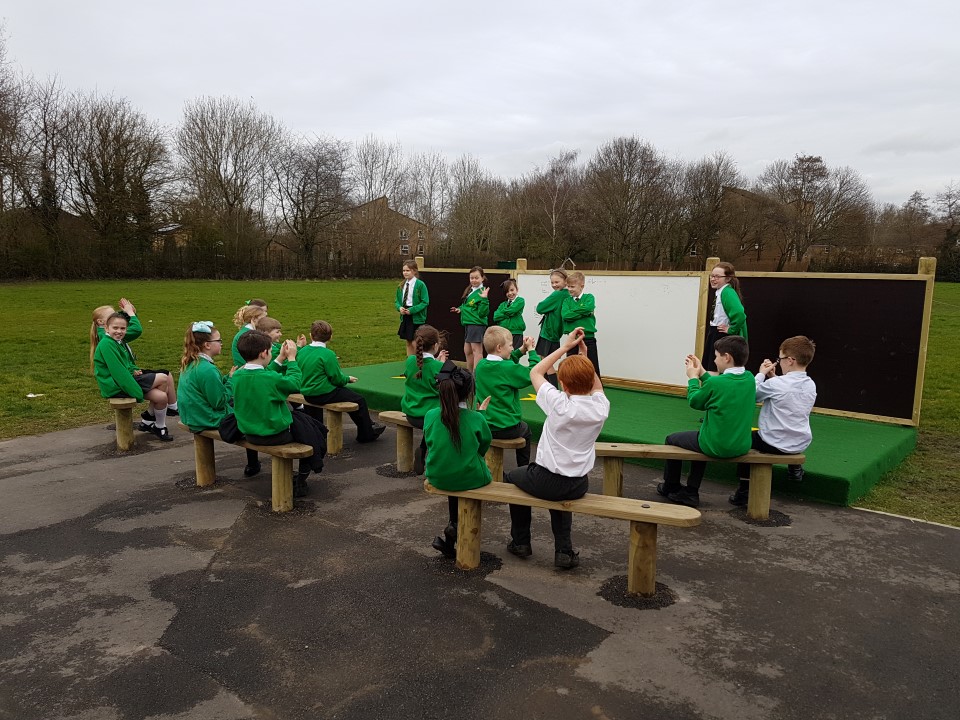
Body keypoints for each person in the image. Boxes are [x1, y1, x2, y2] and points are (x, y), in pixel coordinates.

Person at [505, 328, 609, 570]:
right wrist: (585, 360)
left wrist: (564, 347)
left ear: (562, 383)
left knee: (513, 478)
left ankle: (521, 541)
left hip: (546, 478)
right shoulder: (600, 407)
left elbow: (535, 371)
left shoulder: (559, 404)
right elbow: (597, 388)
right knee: (559, 489)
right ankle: (564, 549)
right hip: (578, 483)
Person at [658, 335, 756, 508]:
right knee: (700, 438)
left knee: (671, 439)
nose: (715, 360)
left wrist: (693, 378)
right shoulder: (749, 378)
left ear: (727, 358)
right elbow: (720, 385)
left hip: (716, 444)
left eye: (717, 356)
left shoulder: (718, 383)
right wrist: (701, 371)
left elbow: (695, 401)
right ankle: (690, 491)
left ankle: (670, 486)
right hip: (741, 444)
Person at [232, 331, 327, 497]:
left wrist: (280, 358)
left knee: (305, 422)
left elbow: (262, 374)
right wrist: (291, 359)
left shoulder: (238, 374)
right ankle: (302, 479)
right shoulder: (270, 378)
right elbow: (295, 383)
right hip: (273, 433)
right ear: (264, 353)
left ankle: (302, 475)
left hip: (249, 432)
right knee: (311, 432)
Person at [730, 336, 817, 506]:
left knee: (741, 439)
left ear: (790, 360)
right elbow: (787, 394)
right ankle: (795, 468)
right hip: (800, 442)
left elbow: (749, 396)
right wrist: (775, 378)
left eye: (781, 359)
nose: (780, 362)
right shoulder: (810, 384)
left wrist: (761, 374)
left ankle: (744, 491)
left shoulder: (776, 384)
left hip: (773, 442)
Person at [424, 361, 492, 559]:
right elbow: (484, 445)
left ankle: (452, 527)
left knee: (453, 472)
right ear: (470, 391)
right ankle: (455, 528)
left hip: (437, 475)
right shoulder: (476, 418)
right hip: (471, 477)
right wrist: (481, 414)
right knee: (464, 472)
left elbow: (432, 441)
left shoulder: (430, 415)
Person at [177, 321, 261, 477]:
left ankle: (253, 462)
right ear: (207, 345)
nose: (222, 344)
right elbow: (219, 401)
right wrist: (233, 379)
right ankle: (254, 461)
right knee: (249, 410)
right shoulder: (207, 369)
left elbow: (208, 390)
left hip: (193, 415)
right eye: (219, 341)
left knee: (242, 405)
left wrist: (227, 378)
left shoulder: (193, 362)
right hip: (205, 418)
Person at [90, 297, 179, 424]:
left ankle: (157, 416)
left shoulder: (112, 333)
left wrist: (131, 312)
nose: (117, 316)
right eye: (112, 315)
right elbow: (136, 330)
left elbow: (123, 363)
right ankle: (162, 413)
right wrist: (130, 314)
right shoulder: (108, 339)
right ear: (103, 324)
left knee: (165, 378)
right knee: (164, 379)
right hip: (117, 384)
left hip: (124, 377)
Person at [296, 320, 385, 443]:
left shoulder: (303, 351)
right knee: (359, 400)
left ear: (310, 336)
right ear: (330, 337)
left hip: (307, 392)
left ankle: (316, 434)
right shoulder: (328, 354)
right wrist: (348, 379)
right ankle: (366, 434)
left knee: (350, 397)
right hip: (323, 393)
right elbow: (336, 379)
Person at [475, 326, 539, 470]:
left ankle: (489, 468)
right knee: (526, 429)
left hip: (485, 424)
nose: (512, 348)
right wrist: (531, 352)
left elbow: (507, 361)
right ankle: (523, 469)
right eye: (510, 345)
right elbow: (533, 373)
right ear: (499, 347)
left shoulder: (481, 365)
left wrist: (521, 350)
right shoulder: (507, 368)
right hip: (507, 426)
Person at [401, 324, 449, 474]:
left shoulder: (410, 361)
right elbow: (446, 389)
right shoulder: (439, 367)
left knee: (432, 420)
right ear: (435, 345)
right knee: (444, 420)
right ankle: (433, 457)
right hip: (430, 416)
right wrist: (442, 365)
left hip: (411, 413)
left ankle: (422, 450)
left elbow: (421, 371)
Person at [703, 262, 747, 372]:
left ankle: (714, 388)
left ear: (727, 279)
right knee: (709, 365)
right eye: (712, 276)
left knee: (715, 368)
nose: (713, 279)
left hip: (721, 334)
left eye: (717, 276)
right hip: (715, 332)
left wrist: (731, 329)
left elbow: (740, 314)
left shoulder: (727, 292)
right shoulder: (720, 291)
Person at [450, 265, 489, 373]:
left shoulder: (482, 292)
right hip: (468, 324)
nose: (474, 280)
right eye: (472, 278)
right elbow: (468, 307)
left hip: (476, 325)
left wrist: (485, 299)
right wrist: (459, 309)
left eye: (476, 278)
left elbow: (483, 313)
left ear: (482, 278)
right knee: (467, 350)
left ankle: (477, 376)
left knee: (477, 351)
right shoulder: (470, 291)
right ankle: (469, 374)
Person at [561, 271, 600, 376]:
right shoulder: (566, 301)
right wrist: (585, 314)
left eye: (572, 286)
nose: (569, 289)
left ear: (581, 286)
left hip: (588, 337)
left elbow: (588, 308)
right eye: (568, 286)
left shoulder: (589, 297)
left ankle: (597, 391)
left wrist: (574, 312)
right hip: (572, 338)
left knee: (592, 366)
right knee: (570, 367)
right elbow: (565, 316)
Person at [535, 269, 568, 387]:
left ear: (565, 281)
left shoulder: (557, 295)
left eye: (557, 282)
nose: (554, 285)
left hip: (548, 331)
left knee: (546, 361)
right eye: (552, 283)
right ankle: (549, 386)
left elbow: (540, 308)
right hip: (556, 332)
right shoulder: (568, 294)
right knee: (546, 359)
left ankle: (552, 387)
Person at [396, 259, 430, 356]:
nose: (405, 273)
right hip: (406, 315)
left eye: (408, 270)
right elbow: (397, 301)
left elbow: (425, 301)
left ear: (414, 271)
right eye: (404, 270)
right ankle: (410, 361)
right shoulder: (401, 286)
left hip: (416, 317)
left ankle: (418, 362)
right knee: (408, 341)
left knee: (417, 342)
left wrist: (412, 310)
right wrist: (400, 308)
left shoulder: (420, 285)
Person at [493, 278, 526, 350]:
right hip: (504, 333)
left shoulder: (520, 301)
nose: (510, 293)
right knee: (504, 354)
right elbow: (495, 316)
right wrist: (507, 314)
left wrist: (503, 313)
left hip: (516, 333)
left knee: (514, 355)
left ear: (517, 289)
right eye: (507, 291)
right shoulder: (503, 304)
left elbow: (512, 310)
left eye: (512, 290)